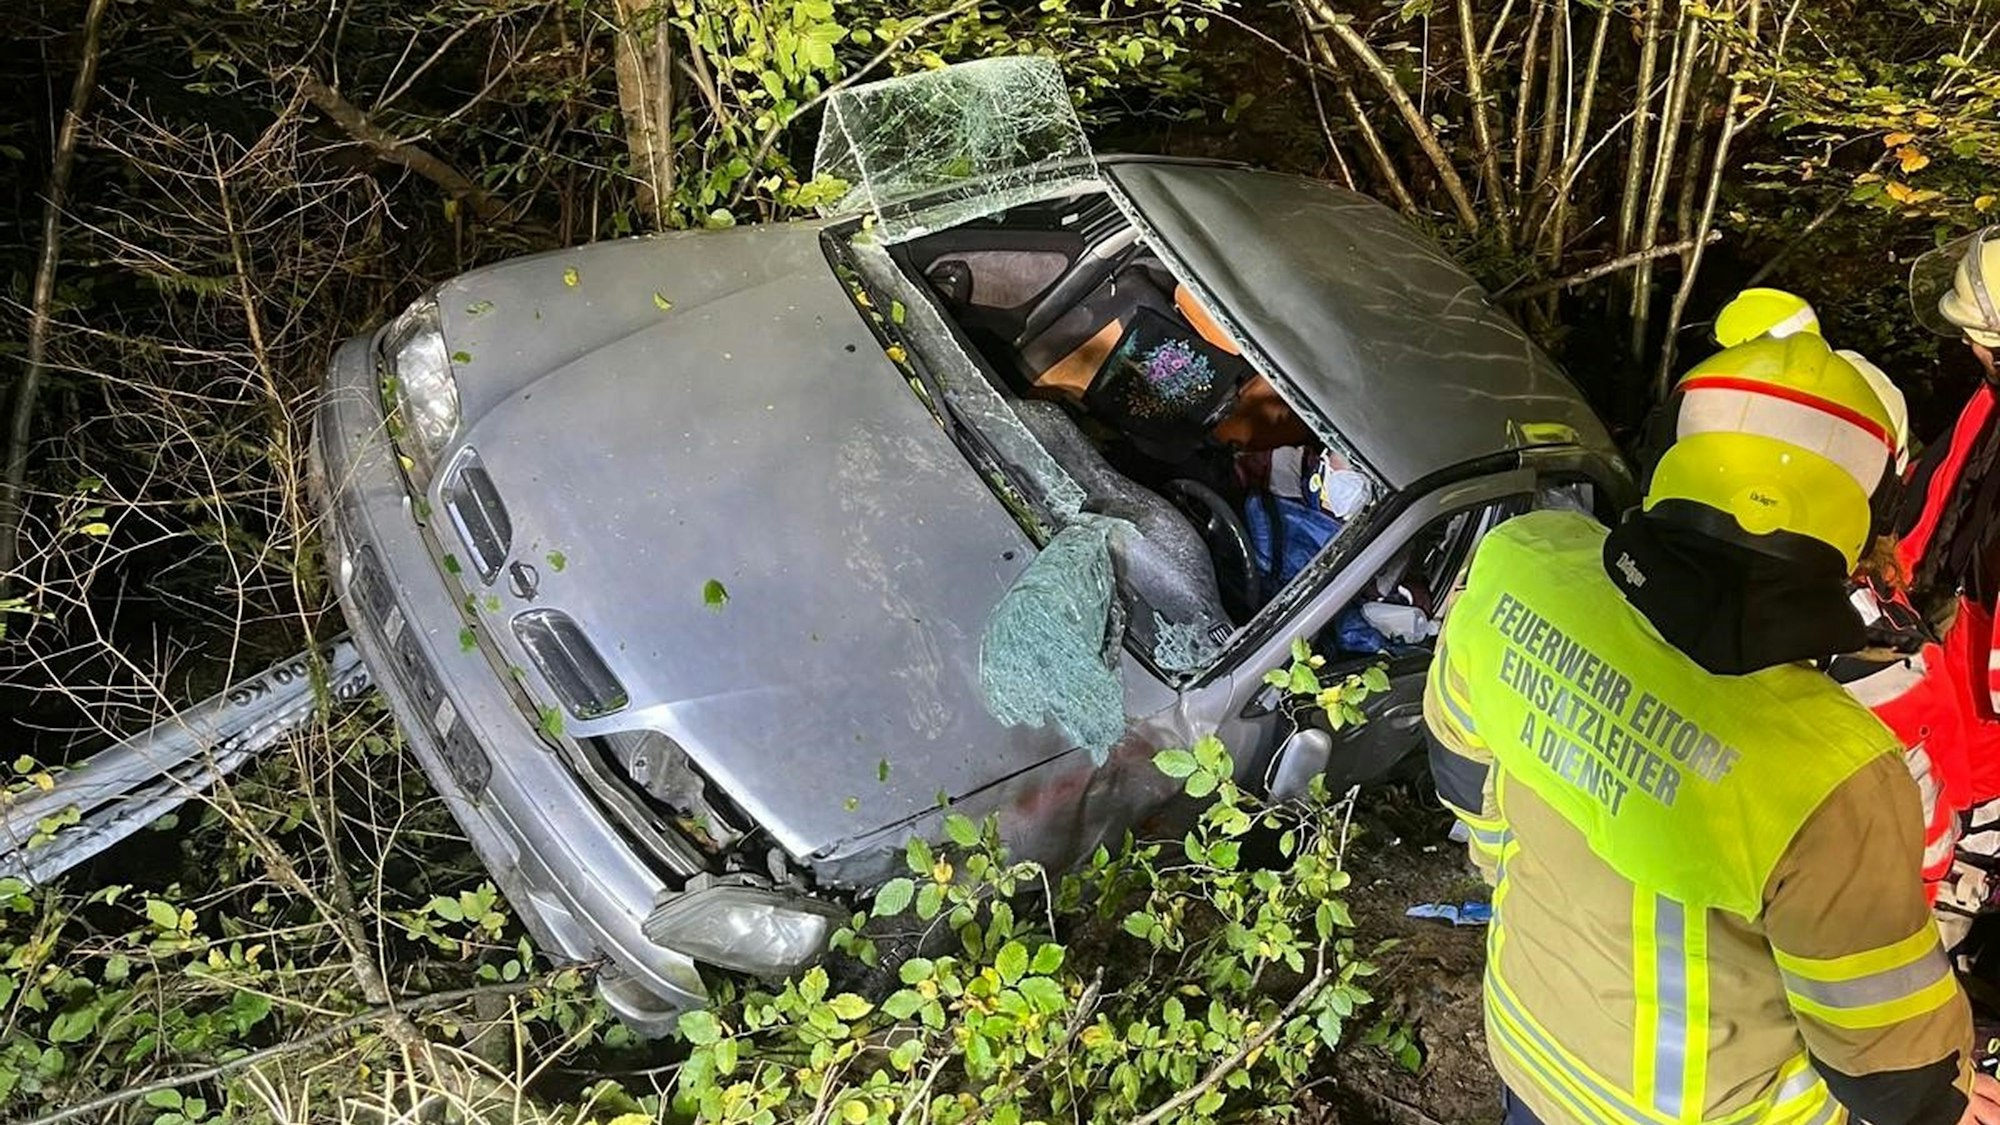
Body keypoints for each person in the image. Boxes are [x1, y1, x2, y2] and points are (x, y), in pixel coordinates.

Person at [1424, 330, 2000, 1125]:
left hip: (1531, 1042)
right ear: (1864, 529)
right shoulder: (1836, 769)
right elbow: (1890, 1072)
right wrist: (1955, 1093)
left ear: (1670, 449)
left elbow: (1463, 776)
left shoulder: (1519, 565)